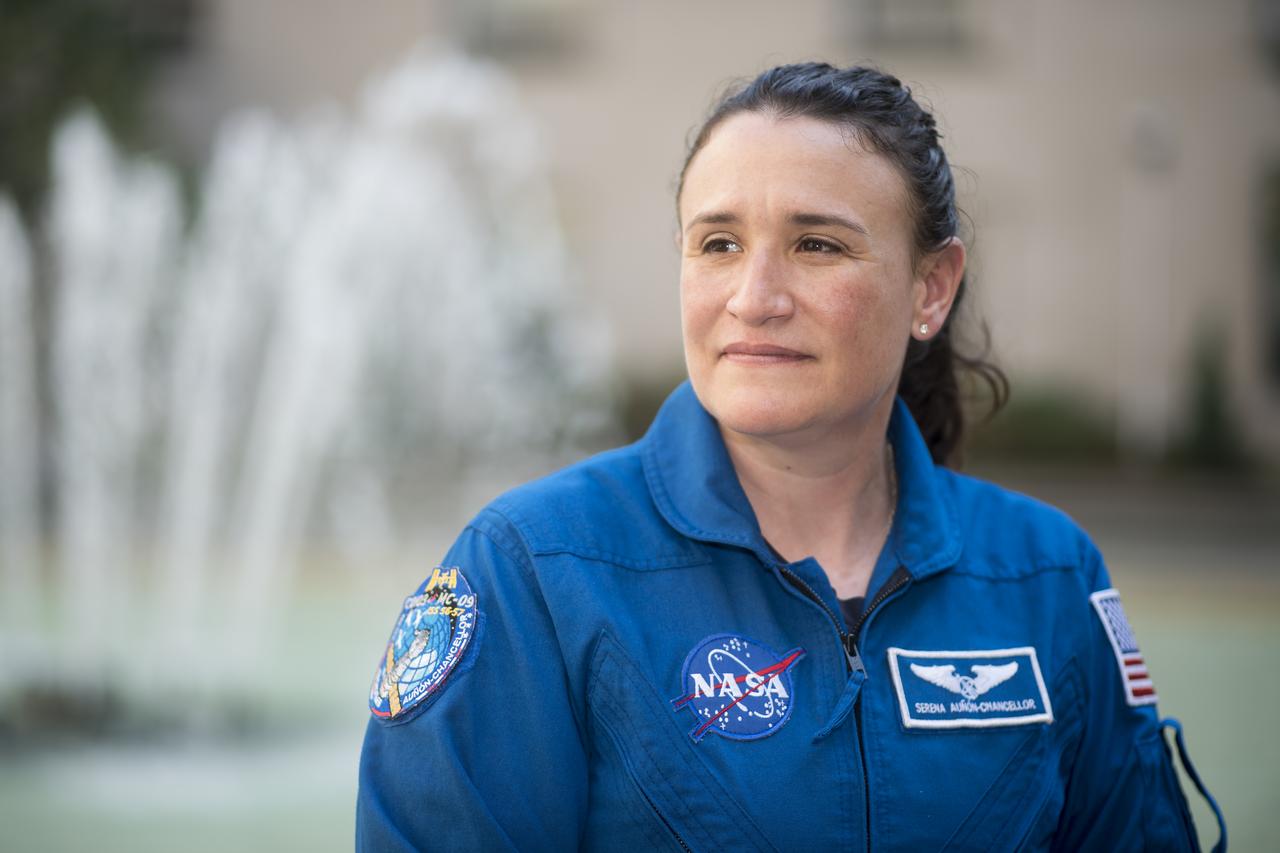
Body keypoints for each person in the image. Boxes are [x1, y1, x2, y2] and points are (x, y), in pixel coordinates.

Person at [356, 62, 1225, 851]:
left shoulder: (1046, 575)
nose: (755, 298)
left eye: (817, 245)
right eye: (719, 243)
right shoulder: (534, 573)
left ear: (931, 287)